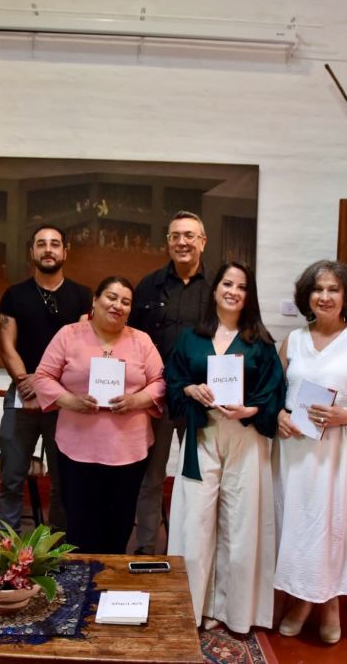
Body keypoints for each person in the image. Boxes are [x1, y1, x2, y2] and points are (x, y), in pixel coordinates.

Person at [273, 260, 347, 644]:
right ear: (306, 295)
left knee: (334, 525)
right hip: (297, 454)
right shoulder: (293, 341)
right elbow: (272, 394)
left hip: (341, 455)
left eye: (333, 290)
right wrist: (279, 416)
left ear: (346, 297)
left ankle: (329, 604)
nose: (324, 296)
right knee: (299, 527)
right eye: (318, 289)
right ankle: (301, 599)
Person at [165, 261, 285, 634]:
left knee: (241, 524)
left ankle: (235, 612)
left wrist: (251, 409)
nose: (233, 291)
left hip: (245, 437)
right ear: (215, 289)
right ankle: (195, 607)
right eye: (227, 284)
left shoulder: (260, 342)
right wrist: (190, 389)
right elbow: (173, 380)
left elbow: (275, 393)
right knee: (196, 522)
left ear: (249, 296)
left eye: (242, 287)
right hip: (203, 435)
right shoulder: (191, 337)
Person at [34, 276, 166, 553]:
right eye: (111, 297)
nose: (118, 305)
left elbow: (160, 382)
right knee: (79, 527)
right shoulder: (69, 335)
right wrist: (70, 401)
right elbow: (43, 376)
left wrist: (136, 400)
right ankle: (81, 577)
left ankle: (110, 576)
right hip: (77, 449)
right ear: (95, 300)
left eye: (126, 302)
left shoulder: (141, 341)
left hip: (128, 451)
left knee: (118, 527)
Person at [0, 225, 93, 531]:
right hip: (21, 395)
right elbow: (6, 346)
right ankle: (5, 548)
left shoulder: (82, 296)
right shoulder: (14, 295)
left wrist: (46, 385)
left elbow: (81, 348)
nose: (48, 249)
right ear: (32, 252)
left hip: (63, 402)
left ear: (65, 251)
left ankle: (54, 549)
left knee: (63, 484)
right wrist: (27, 381)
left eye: (54, 244)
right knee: (11, 480)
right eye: (41, 244)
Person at [128, 210, 212, 555]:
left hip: (201, 399)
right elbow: (131, 338)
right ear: (168, 242)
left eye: (189, 235)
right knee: (150, 478)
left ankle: (192, 549)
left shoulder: (217, 287)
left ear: (202, 242)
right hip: (158, 398)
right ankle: (147, 548)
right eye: (175, 236)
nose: (182, 242)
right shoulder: (149, 285)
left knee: (199, 476)